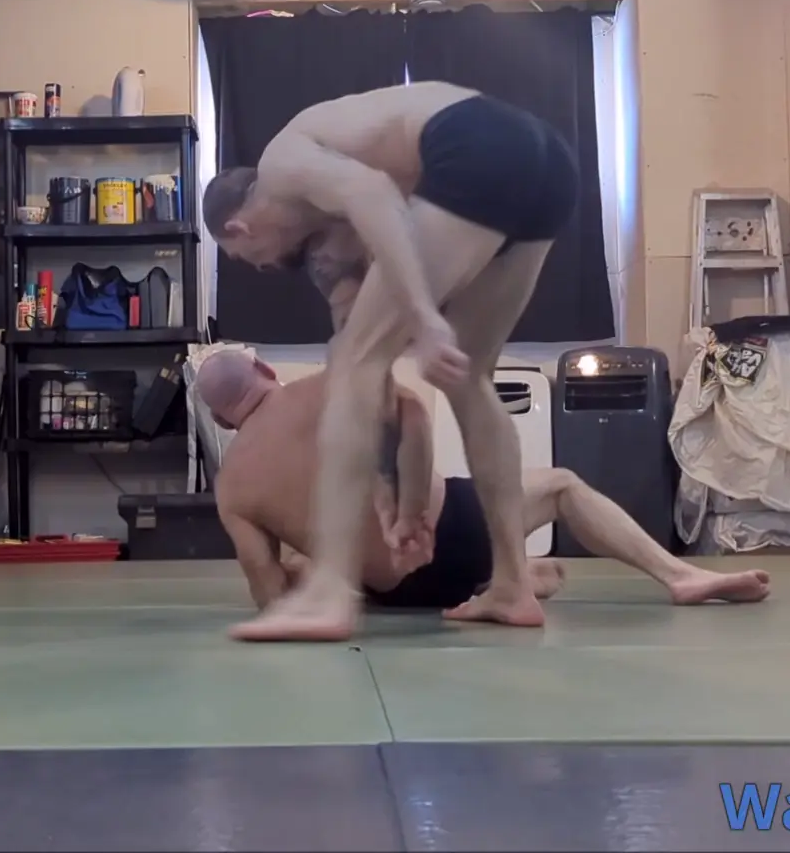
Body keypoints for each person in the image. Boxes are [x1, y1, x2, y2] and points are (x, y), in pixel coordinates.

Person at [203, 82, 578, 641]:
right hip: (547, 164)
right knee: (469, 375)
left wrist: (424, 316)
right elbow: (370, 393)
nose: (262, 268)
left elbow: (373, 192)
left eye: (246, 258)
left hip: (477, 143)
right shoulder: (330, 235)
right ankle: (511, 584)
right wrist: (386, 491)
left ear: (239, 228)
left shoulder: (281, 165)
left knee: (352, 361)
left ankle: (329, 591)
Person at [195, 351, 771, 614]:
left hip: (395, 593)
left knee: (302, 560)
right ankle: (680, 576)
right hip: (455, 530)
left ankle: (498, 576)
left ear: (222, 419)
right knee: (561, 485)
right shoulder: (323, 386)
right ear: (266, 371)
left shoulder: (233, 488)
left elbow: (268, 593)